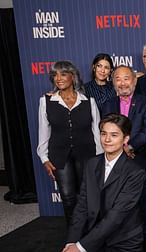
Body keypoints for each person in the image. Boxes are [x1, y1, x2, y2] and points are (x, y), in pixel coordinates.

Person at [56, 113, 146, 252]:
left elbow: (115, 217)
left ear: (125, 139)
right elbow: (82, 206)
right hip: (97, 234)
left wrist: (81, 247)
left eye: (114, 135)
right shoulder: (91, 164)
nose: (107, 139)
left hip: (124, 239)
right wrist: (71, 243)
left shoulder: (136, 172)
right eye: (103, 133)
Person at [37, 60, 102, 226]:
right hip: (59, 155)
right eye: (55, 75)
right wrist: (44, 158)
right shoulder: (46, 102)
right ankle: (74, 234)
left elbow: (96, 132)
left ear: (73, 77)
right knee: (67, 196)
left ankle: (89, 232)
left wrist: (100, 158)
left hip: (86, 154)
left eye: (63, 74)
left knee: (85, 195)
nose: (58, 78)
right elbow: (44, 133)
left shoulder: (89, 101)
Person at [100, 65, 146, 169]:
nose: (122, 83)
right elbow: (105, 129)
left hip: (138, 156)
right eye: (118, 79)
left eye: (126, 79)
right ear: (113, 83)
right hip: (113, 157)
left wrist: (130, 146)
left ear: (134, 81)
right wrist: (119, 148)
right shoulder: (108, 104)